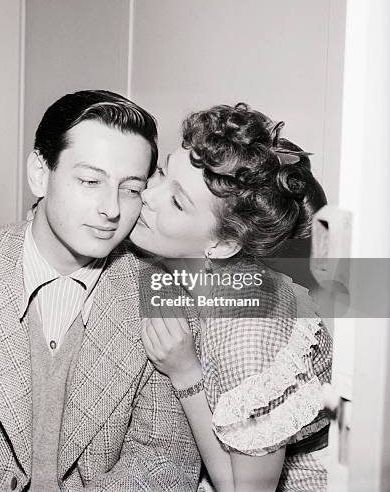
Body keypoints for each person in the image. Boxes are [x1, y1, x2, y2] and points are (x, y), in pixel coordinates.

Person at [0, 90, 200, 492]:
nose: (111, 209)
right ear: (40, 174)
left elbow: (165, 460)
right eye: (91, 181)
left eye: (130, 188)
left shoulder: (160, 295)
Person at [130, 103, 332, 492]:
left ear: (223, 244)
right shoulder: (211, 274)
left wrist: (186, 373)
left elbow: (243, 489)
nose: (149, 195)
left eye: (176, 201)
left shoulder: (245, 335)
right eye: (161, 173)